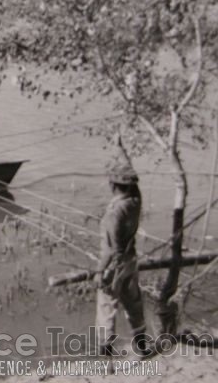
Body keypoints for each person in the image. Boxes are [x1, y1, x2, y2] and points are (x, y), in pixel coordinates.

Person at [94, 136, 149, 358]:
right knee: (134, 304)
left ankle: (106, 360)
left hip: (114, 265)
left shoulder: (113, 212)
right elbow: (132, 180)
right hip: (130, 261)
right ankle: (142, 348)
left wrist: (99, 272)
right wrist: (121, 148)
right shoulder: (135, 200)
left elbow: (109, 249)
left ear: (113, 185)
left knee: (106, 308)